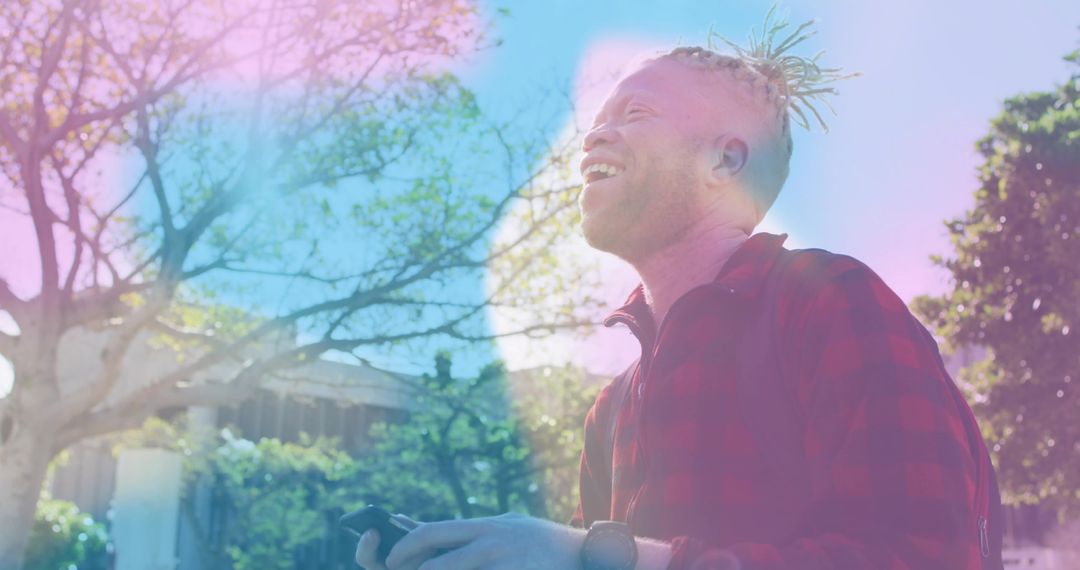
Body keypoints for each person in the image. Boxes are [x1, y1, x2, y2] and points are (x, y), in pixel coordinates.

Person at [355, 15, 1003, 570]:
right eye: (598, 119)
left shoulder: (832, 301)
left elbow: (922, 555)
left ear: (725, 162)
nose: (593, 136)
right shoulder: (609, 412)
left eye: (635, 114)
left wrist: (604, 555)